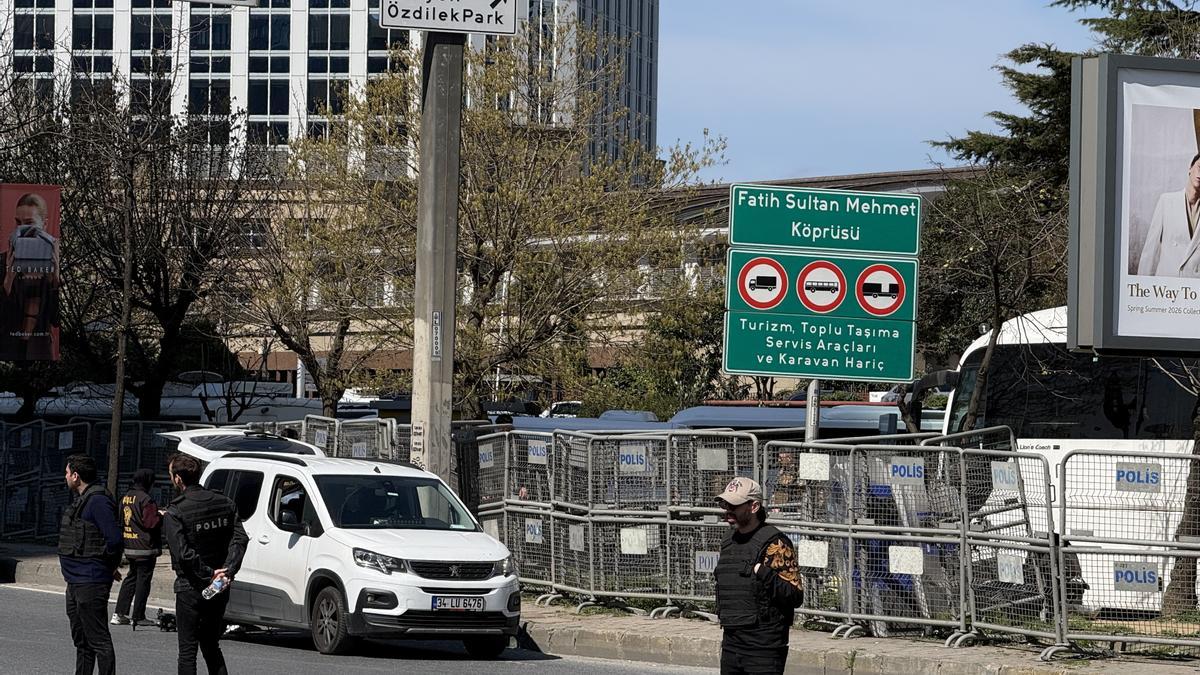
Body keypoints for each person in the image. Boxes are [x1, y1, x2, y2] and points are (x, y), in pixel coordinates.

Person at [162, 453, 248, 675]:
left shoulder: (176, 511)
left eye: (171, 475)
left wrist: (210, 574)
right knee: (211, 645)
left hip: (191, 586)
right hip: (219, 586)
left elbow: (182, 554)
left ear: (178, 479)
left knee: (188, 651)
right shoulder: (225, 502)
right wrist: (227, 571)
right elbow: (240, 539)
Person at [712, 477, 803, 675]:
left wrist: (763, 572)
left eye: (734, 505)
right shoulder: (728, 541)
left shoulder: (775, 544)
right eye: (725, 504)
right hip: (731, 642)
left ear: (753, 506)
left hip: (764, 648)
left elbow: (794, 595)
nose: (727, 509)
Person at [58, 453, 123, 675]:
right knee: (82, 642)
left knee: (99, 642)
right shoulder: (83, 500)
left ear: (76, 476)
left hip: (91, 581)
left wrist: (110, 566)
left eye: (67, 473)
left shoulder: (98, 501)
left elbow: (114, 539)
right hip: (75, 582)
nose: (65, 476)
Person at [3, 191, 60, 359]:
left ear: (45, 224)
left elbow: (56, 319)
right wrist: (8, 279)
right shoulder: (3, 260)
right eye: (18, 222)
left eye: (29, 223)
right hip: (8, 351)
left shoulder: (55, 260)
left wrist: (55, 278)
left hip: (39, 351)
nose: (22, 229)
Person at [112, 468, 163, 627]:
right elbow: (151, 523)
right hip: (145, 547)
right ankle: (138, 615)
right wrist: (161, 515)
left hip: (129, 545)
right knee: (143, 581)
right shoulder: (146, 499)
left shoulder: (126, 497)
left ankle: (119, 613)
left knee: (131, 578)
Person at [1139, 152, 1200, 277]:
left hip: (1194, 291)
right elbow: (1150, 251)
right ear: (1190, 168)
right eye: (1199, 167)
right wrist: (1141, 288)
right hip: (1166, 288)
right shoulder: (1166, 202)